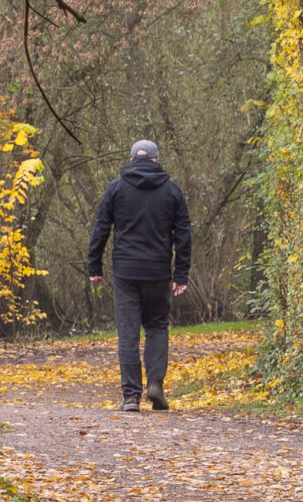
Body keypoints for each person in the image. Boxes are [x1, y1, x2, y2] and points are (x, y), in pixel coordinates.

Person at [85, 139, 191, 412]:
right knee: (156, 327)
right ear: (156, 160)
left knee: (128, 333)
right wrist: (181, 274)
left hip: (125, 271)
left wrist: (94, 268)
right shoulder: (171, 191)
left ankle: (131, 396)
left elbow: (101, 229)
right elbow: (183, 235)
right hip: (157, 271)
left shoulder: (116, 188)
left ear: (132, 160)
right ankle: (155, 383)